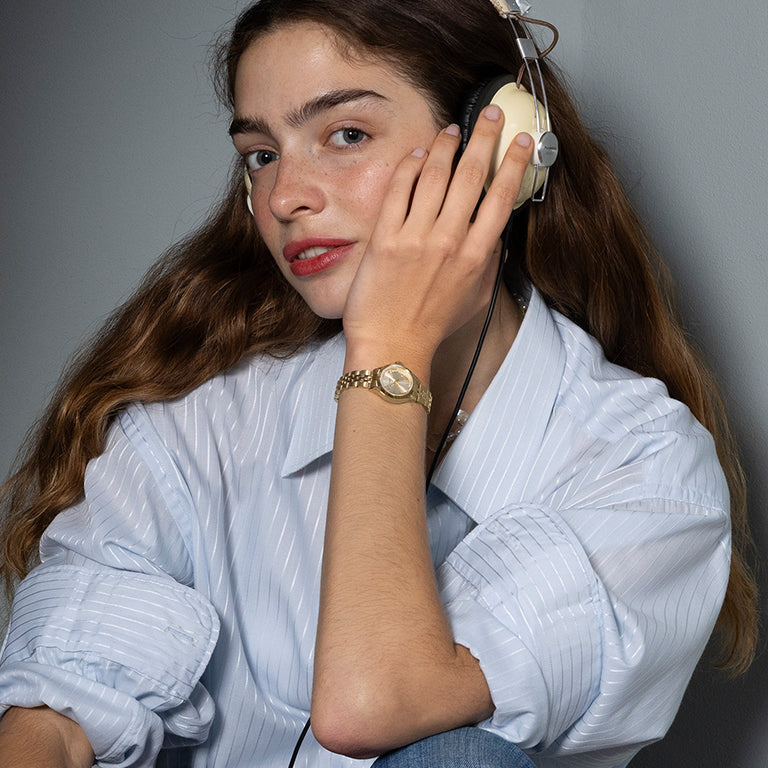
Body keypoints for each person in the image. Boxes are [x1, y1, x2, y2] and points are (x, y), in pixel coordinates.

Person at [0, 0, 758, 766]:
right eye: (261, 154)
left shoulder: (643, 471)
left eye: (347, 134)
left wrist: (389, 348)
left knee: (455, 756)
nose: (285, 196)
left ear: (500, 152)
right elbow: (53, 720)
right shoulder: (201, 423)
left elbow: (370, 706)